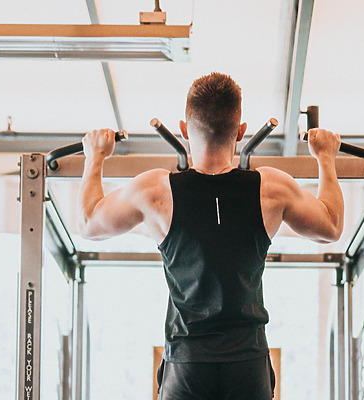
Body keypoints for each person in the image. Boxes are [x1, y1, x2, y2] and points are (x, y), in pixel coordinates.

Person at [78, 72, 344, 400]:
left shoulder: (156, 190)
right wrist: (326, 158)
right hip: (247, 364)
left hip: (188, 364)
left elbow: (89, 222)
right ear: (242, 132)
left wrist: (95, 158)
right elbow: (331, 226)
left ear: (185, 129)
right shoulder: (271, 188)